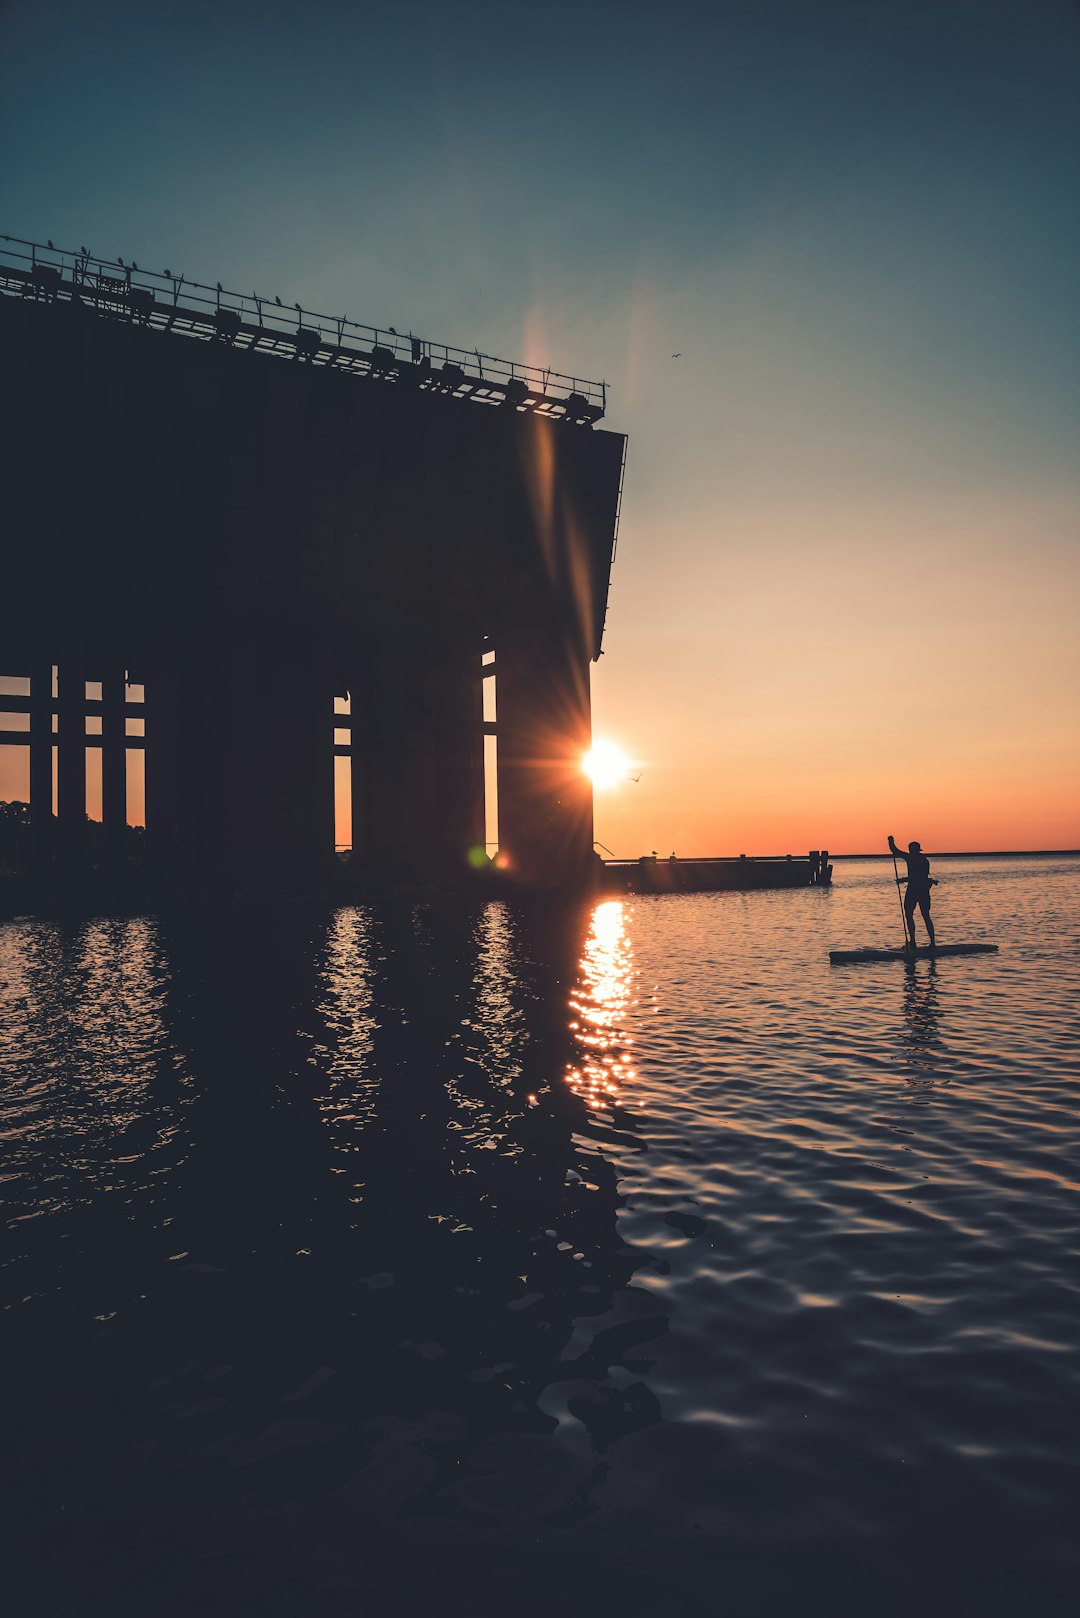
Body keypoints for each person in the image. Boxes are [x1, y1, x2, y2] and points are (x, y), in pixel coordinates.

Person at [888, 835, 938, 949]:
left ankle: (928, 943)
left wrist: (903, 880)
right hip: (921, 890)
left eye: (912, 850)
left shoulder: (916, 859)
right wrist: (890, 842)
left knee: (922, 915)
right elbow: (895, 851)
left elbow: (917, 877)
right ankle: (916, 942)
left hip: (917, 890)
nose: (911, 852)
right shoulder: (923, 859)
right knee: (914, 915)